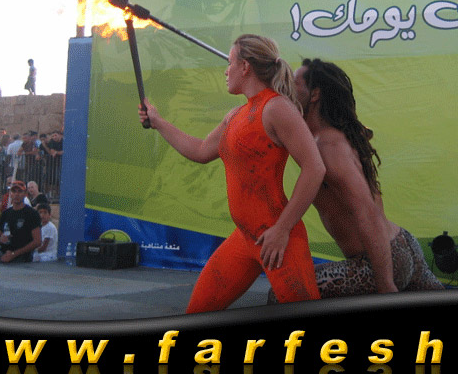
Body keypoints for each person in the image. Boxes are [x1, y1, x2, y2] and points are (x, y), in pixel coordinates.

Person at [139, 34, 326, 313]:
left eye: (230, 62)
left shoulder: (277, 108)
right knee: (196, 313)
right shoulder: (235, 115)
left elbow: (315, 168)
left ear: (245, 67)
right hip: (245, 238)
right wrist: (158, 122)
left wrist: (282, 229)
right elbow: (201, 150)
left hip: (277, 238)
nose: (226, 71)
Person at [268, 58, 444, 302]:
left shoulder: (327, 146)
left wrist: (385, 284)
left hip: (378, 262)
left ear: (315, 94)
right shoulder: (334, 135)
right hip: (402, 245)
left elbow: (367, 213)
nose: (288, 88)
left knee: (284, 293)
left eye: (294, 83)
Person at [0, 180, 41, 263]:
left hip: (22, 258)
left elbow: (37, 241)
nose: (17, 194)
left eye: (20, 191)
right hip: (4, 254)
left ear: (25, 194)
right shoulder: (5, 214)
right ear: (10, 194)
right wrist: (0, 239)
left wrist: (14, 254)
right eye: (14, 191)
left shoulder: (32, 214)